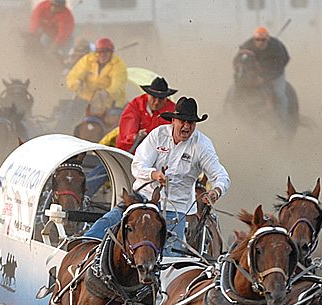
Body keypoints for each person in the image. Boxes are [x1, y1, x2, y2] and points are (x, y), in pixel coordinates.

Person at [83, 97, 230, 256]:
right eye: (183, 121)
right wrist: (153, 174)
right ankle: (81, 251)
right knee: (107, 222)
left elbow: (221, 175)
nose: (187, 126)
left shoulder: (202, 145)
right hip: (142, 198)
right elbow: (137, 165)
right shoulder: (158, 135)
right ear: (173, 120)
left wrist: (216, 191)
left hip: (176, 207)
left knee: (169, 257)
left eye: (191, 123)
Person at [239, 26, 290, 123]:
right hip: (255, 74)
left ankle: (283, 119)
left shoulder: (277, 48)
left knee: (280, 94)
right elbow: (240, 59)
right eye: (257, 40)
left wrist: (265, 78)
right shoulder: (247, 45)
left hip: (275, 74)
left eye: (263, 40)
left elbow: (281, 65)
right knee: (233, 89)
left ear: (267, 40)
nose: (260, 42)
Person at [116, 76, 177, 152]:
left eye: (161, 98)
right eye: (154, 97)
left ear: (166, 98)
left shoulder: (173, 111)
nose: (156, 102)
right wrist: (136, 137)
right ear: (148, 95)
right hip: (131, 154)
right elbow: (126, 135)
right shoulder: (135, 106)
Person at [66, 37, 128, 108]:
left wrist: (107, 93)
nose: (102, 55)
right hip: (86, 100)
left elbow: (118, 86)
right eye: (100, 52)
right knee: (70, 114)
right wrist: (77, 84)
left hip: (110, 104)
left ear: (111, 53)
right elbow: (73, 76)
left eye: (106, 52)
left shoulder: (119, 66)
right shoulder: (87, 60)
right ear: (96, 52)